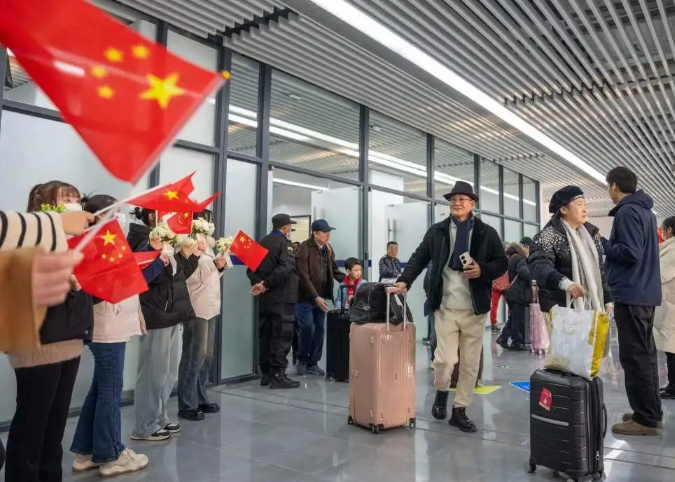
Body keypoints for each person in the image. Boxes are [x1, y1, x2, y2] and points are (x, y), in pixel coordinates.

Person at [395, 181, 507, 433]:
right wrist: (405, 280)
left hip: (474, 309)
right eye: (453, 199)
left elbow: (501, 263)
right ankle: (441, 391)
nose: (457, 203)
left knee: (469, 364)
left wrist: (482, 270)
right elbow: (419, 257)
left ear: (472, 204)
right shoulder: (437, 231)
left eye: (462, 199)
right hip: (445, 306)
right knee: (445, 360)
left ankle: (460, 409)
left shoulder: (486, 233)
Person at [5, 182, 94, 482]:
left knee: (55, 428)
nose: (74, 204)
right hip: (38, 343)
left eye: (76, 199)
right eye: (66, 199)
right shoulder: (24, 239)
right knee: (31, 425)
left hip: (70, 340)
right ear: (44, 206)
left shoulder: (80, 242)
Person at [70, 195, 148, 477]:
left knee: (100, 389)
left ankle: (86, 451)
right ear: (99, 215)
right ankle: (111, 455)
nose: (120, 217)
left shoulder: (108, 242)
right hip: (107, 326)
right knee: (110, 392)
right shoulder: (92, 244)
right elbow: (93, 289)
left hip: (114, 324)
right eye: (115, 213)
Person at [602, 167, 663, 436]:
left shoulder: (627, 212)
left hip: (631, 292)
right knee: (646, 356)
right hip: (645, 293)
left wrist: (604, 244)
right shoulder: (646, 212)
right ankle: (650, 412)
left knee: (634, 357)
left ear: (614, 186)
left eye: (608, 186)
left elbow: (630, 253)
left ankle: (645, 420)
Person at [128, 208, 198, 440]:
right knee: (152, 371)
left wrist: (187, 256)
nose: (175, 216)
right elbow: (146, 277)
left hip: (173, 311)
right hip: (156, 312)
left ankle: (159, 416)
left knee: (168, 372)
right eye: (169, 212)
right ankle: (144, 425)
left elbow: (180, 277)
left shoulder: (171, 239)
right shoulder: (142, 239)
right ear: (153, 215)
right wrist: (160, 254)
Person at [528, 186, 613, 315]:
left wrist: (608, 300)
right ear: (563, 209)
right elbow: (539, 266)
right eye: (579, 204)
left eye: (584, 204)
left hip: (590, 307)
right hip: (559, 309)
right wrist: (565, 283)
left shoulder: (592, 237)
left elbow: (599, 272)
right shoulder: (548, 236)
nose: (584, 209)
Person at [178, 210, 228, 420]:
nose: (209, 225)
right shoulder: (186, 245)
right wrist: (210, 265)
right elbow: (186, 278)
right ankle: (186, 403)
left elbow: (211, 275)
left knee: (207, 356)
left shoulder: (208, 245)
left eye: (210, 221)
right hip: (196, 307)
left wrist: (220, 266)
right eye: (205, 221)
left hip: (211, 306)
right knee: (193, 356)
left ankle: (200, 397)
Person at [248, 214, 301, 389]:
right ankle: (278, 375)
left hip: (265, 299)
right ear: (285, 228)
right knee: (282, 335)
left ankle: (266, 374)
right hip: (282, 297)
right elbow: (286, 267)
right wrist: (266, 284)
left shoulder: (261, 242)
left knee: (266, 334)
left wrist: (259, 284)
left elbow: (250, 269)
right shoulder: (285, 243)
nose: (290, 229)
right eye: (289, 227)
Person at [295, 219, 346, 376]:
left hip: (322, 297)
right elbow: (303, 277)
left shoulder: (328, 248)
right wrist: (315, 297)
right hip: (305, 298)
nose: (328, 235)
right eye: (325, 232)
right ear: (315, 233)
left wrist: (350, 281)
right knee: (307, 328)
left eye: (329, 232)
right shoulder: (304, 248)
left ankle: (313, 363)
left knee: (319, 329)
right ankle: (302, 359)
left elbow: (334, 270)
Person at [496, 241, 532, 351]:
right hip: (518, 293)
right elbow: (523, 272)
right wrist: (532, 276)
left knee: (513, 317)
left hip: (510, 292)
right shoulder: (520, 259)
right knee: (517, 319)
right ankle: (516, 342)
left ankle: (503, 338)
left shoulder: (509, 258)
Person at [655, 216, 675, 400]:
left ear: (669, 230)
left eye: (662, 229)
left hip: (671, 307)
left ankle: (673, 388)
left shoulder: (672, 249)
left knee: (672, 350)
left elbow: (660, 274)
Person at [489, 243, 511, 332]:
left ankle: (493, 323)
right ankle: (511, 322)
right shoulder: (510, 258)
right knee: (511, 305)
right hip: (506, 285)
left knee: (494, 305)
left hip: (496, 285)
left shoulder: (496, 258)